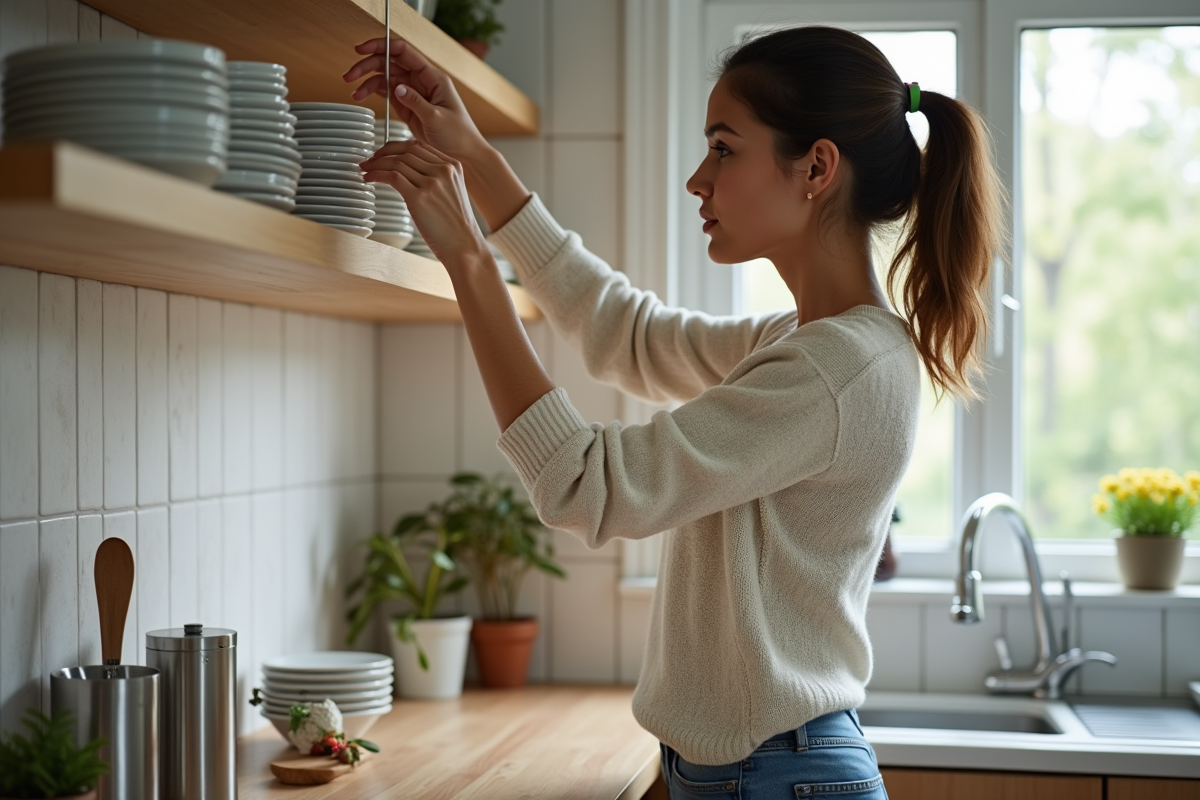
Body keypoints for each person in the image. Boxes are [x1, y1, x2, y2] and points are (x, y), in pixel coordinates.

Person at [344, 24, 1003, 799]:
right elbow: (626, 335)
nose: (699, 178)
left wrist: (469, 263)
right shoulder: (810, 345)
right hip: (760, 770)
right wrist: (476, 156)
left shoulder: (834, 370)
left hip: (775, 775)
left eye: (725, 148)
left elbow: (589, 486)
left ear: (817, 167)